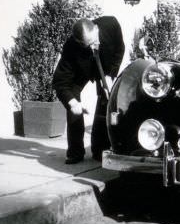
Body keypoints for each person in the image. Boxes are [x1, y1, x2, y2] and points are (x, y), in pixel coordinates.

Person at [52, 16, 125, 164]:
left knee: (106, 99)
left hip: (104, 67)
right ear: (79, 42)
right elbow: (60, 81)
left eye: (95, 40)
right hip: (82, 71)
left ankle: (100, 149)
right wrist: (72, 103)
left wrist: (111, 74)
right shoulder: (71, 47)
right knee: (73, 105)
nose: (94, 46)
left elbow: (119, 50)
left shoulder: (111, 24)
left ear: (97, 29)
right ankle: (75, 151)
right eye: (89, 44)